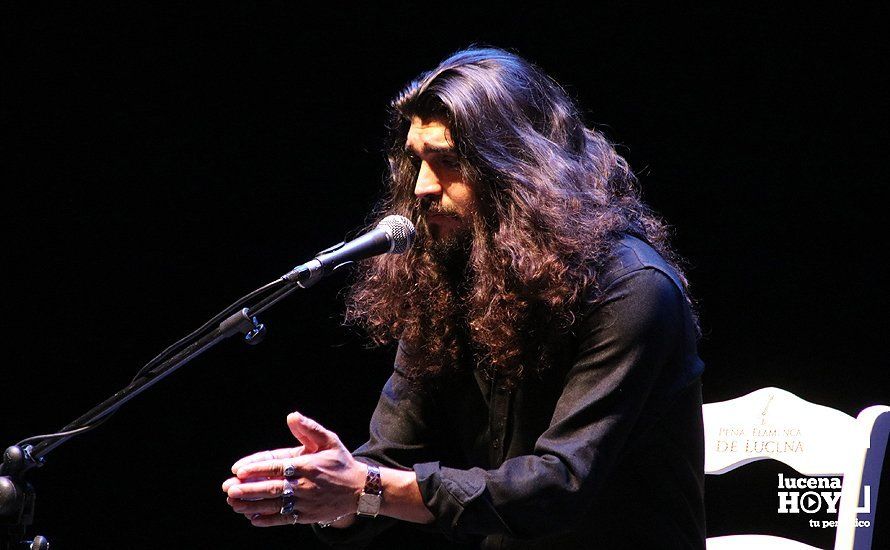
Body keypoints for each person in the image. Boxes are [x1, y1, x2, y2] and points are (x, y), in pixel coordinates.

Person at [222, 47, 706, 549]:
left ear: (522, 168)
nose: (423, 187)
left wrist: (365, 488)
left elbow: (558, 486)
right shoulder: (449, 276)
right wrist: (330, 493)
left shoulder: (632, 288)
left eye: (448, 161)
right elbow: (389, 461)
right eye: (417, 160)